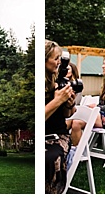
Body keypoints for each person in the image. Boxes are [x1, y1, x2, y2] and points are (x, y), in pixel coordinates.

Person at [44, 41, 76, 194]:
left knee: (50, 158)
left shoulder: (59, 82)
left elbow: (68, 115)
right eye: (56, 58)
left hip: (58, 136)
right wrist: (57, 101)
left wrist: (69, 104)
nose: (59, 62)